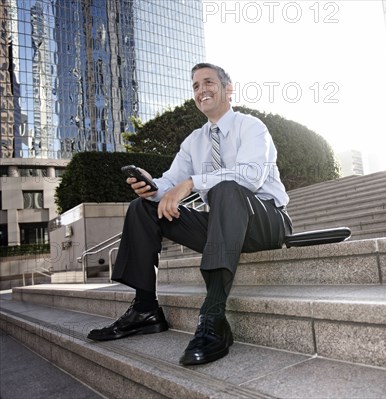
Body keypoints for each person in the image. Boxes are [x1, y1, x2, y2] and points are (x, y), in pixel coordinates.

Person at [87, 63, 292, 366]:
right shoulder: (194, 141)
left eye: (208, 82)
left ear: (228, 88)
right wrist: (151, 187)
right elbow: (170, 183)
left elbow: (249, 177)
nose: (201, 90)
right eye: (195, 86)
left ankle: (213, 318)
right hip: (224, 226)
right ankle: (145, 310)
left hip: (266, 221)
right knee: (142, 209)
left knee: (227, 188)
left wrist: (193, 183)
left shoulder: (251, 127)